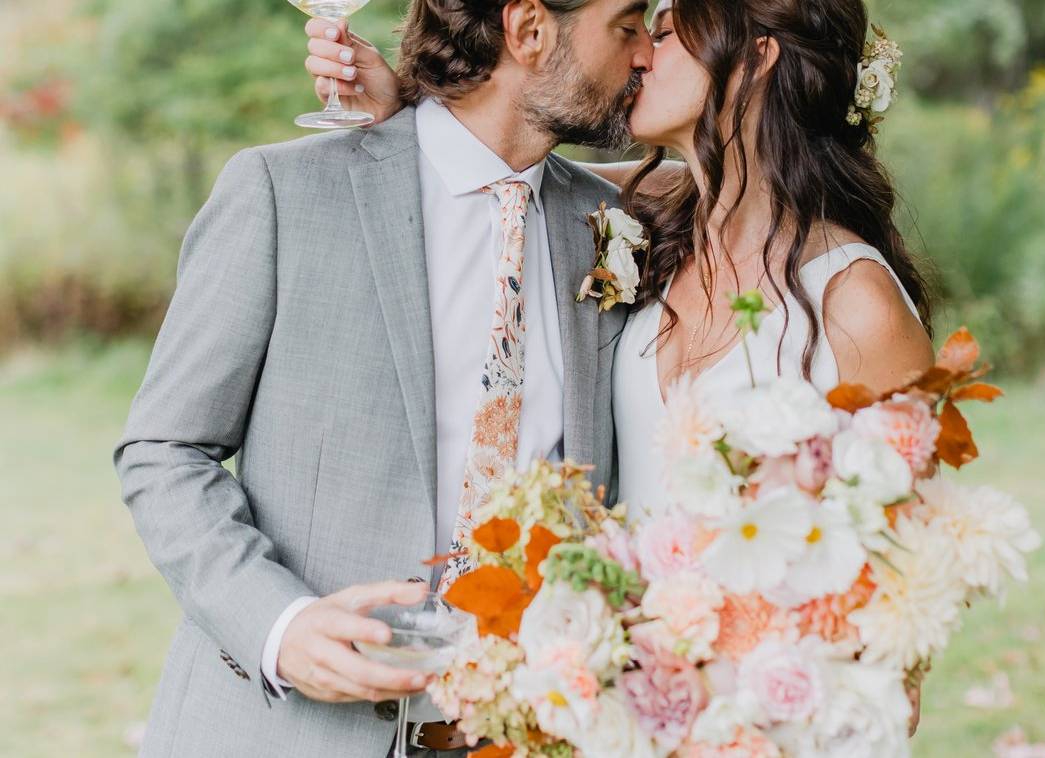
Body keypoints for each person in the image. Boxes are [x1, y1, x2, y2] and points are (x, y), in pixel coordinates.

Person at [306, 0, 935, 736]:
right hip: (615, 718)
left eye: (664, 33)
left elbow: (904, 615)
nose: (640, 53)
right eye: (636, 28)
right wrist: (408, 121)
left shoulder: (855, 304)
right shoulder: (641, 234)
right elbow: (501, 169)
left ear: (759, 56)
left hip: (767, 726)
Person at [114, 0, 651, 755]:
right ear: (529, 30)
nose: (644, 55)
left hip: (522, 730)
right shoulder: (283, 193)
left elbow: (748, 180)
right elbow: (164, 450)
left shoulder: (614, 221)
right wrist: (279, 625)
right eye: (628, 26)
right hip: (285, 732)